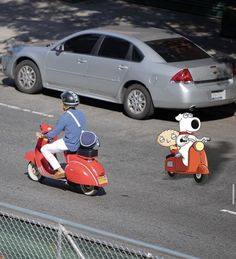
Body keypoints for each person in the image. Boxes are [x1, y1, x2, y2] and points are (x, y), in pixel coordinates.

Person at [36, 91, 86, 179]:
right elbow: (72, 126)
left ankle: (60, 170)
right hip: (79, 141)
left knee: (45, 149)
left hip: (70, 143)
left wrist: (43, 136)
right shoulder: (80, 113)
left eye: (62, 102)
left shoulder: (66, 116)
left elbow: (55, 133)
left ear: (65, 104)